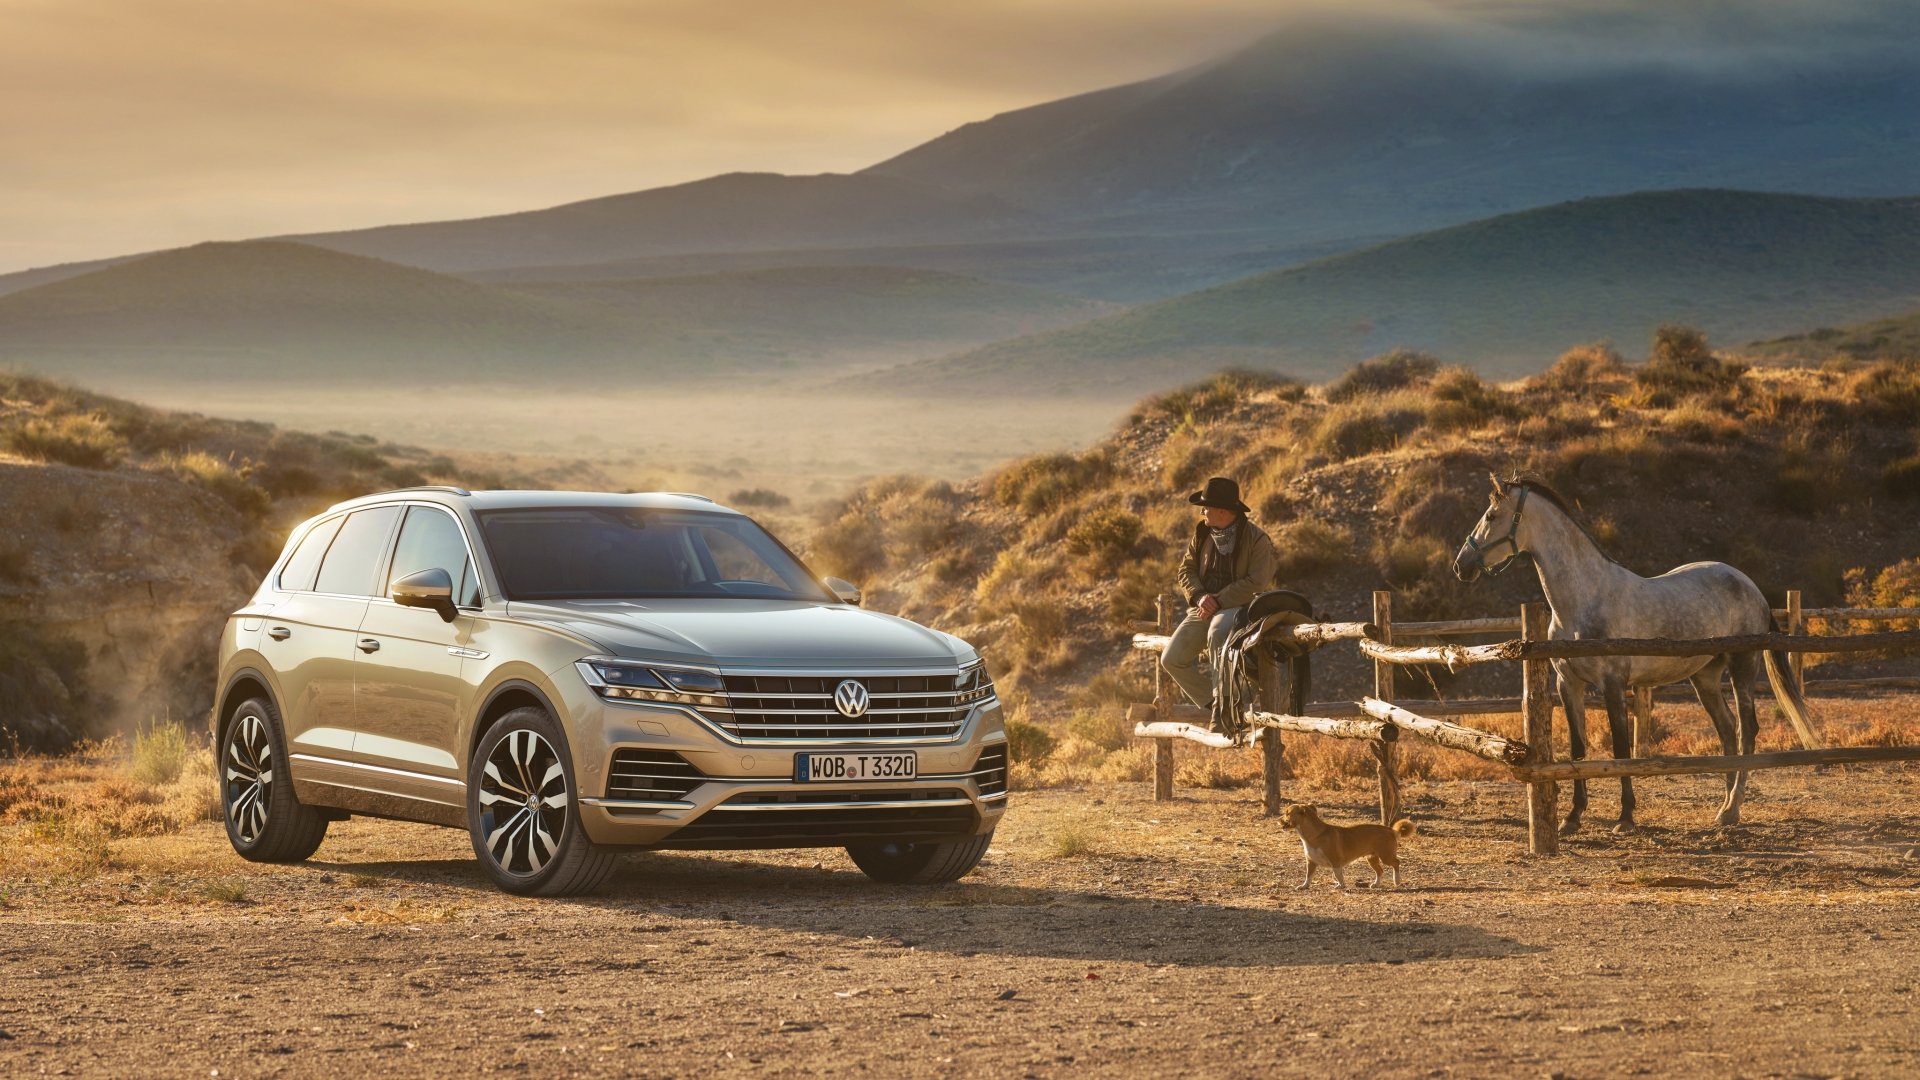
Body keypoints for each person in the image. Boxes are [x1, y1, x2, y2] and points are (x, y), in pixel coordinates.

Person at [1160, 476, 1278, 726]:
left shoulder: (1256, 539)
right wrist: (1201, 596)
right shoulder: (1202, 534)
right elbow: (1186, 570)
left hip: (1239, 607)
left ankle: (1225, 710)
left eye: (1206, 507)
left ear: (1223, 511)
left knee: (1217, 632)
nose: (1202, 511)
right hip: (1203, 607)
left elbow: (1256, 583)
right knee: (1171, 659)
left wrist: (1219, 600)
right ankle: (1217, 704)